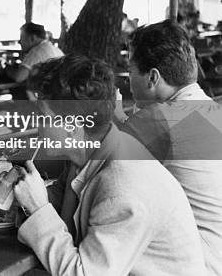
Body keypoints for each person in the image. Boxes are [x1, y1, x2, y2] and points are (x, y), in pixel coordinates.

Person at [11, 55, 207, 276]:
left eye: (42, 115)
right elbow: (60, 200)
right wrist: (24, 198)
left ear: (71, 127)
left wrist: (38, 209)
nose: (36, 124)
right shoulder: (90, 154)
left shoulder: (123, 188)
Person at [117, 20, 222, 275]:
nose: (129, 80)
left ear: (152, 77)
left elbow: (100, 150)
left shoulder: (161, 118)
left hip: (195, 261)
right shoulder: (213, 109)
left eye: (130, 71)